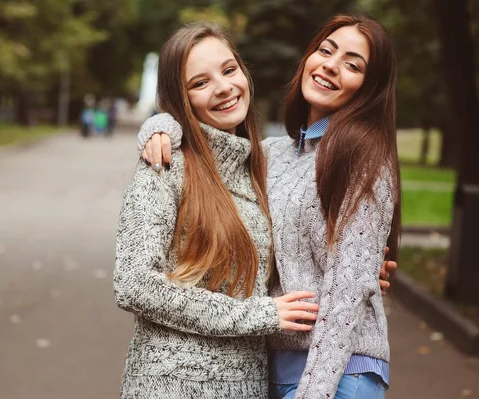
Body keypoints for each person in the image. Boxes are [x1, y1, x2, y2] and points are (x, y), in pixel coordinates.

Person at [136, 14, 400, 399]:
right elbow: (204, 145)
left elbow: (346, 295)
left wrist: (316, 392)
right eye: (325, 50)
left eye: (353, 64)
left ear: (369, 87)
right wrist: (159, 127)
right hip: (278, 367)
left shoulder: (363, 159)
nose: (331, 65)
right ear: (308, 57)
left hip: (338, 374)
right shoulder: (270, 155)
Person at [114, 23, 321, 399]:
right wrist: (259, 315)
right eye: (200, 83)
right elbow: (134, 285)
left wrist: (358, 262)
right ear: (181, 98)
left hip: (248, 386)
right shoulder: (166, 166)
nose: (224, 87)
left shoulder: (261, 165)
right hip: (170, 386)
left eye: (229, 70)